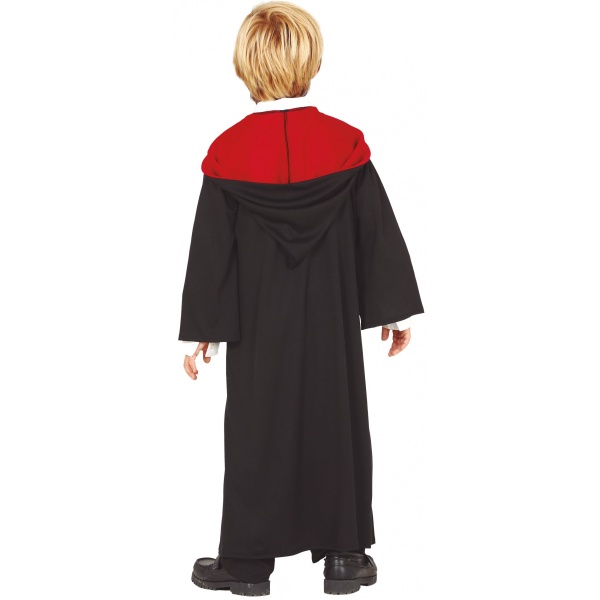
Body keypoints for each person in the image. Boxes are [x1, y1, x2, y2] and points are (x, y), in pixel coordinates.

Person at [178, 2, 424, 595]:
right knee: (336, 421)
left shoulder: (229, 152)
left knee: (254, 430)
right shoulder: (345, 146)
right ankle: (344, 556)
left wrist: (204, 329)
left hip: (258, 328)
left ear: (246, 66)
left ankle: (246, 565)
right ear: (311, 61)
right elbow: (374, 232)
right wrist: (391, 309)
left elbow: (212, 251)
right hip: (330, 323)